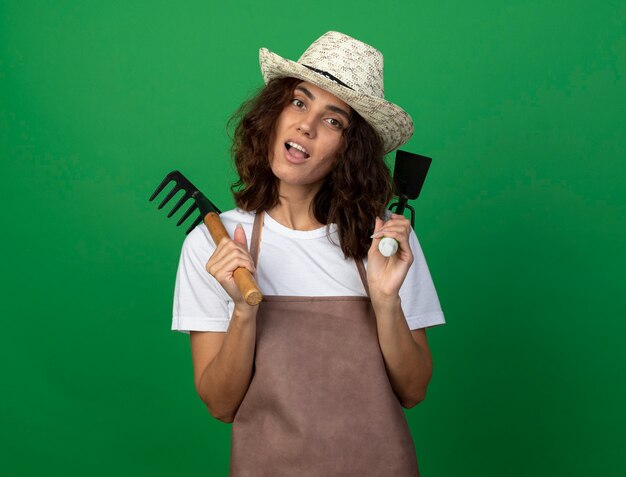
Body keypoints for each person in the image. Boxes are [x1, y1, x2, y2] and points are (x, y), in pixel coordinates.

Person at [172, 31, 445, 476]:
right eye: (299, 102)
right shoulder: (214, 246)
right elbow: (221, 405)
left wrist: (385, 300)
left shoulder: (386, 247)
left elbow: (413, 390)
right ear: (274, 115)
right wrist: (243, 311)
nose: (307, 125)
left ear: (348, 152)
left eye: (333, 120)